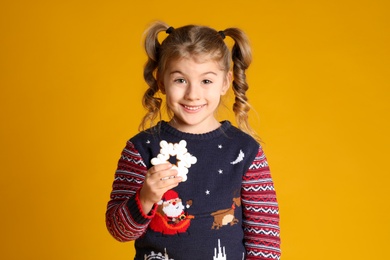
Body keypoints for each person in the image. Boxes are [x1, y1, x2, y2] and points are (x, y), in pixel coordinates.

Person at [106, 21, 281, 260]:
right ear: (161, 82)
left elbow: (265, 239)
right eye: (180, 80)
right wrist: (145, 197)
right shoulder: (140, 149)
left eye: (206, 81)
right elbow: (119, 231)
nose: (193, 94)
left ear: (225, 82)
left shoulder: (246, 151)